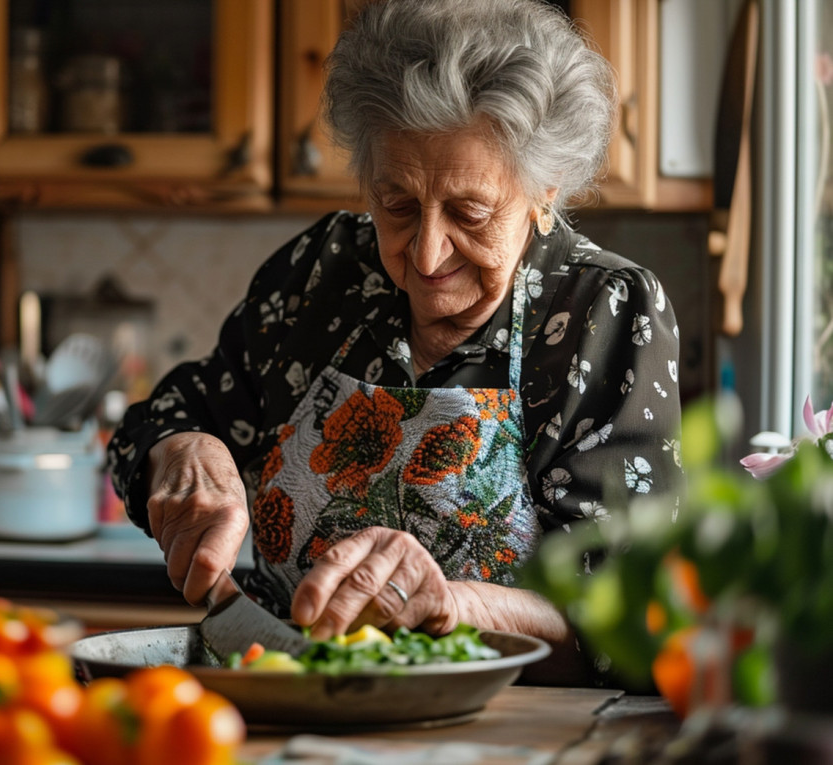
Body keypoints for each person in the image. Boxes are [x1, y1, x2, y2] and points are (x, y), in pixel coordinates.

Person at [107, 0, 682, 684]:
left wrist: (451, 606)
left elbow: (632, 617)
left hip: (510, 730)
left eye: (469, 211)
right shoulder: (324, 273)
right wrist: (185, 451)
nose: (429, 253)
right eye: (398, 204)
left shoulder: (602, 313)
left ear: (543, 190)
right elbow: (171, 415)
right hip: (286, 699)